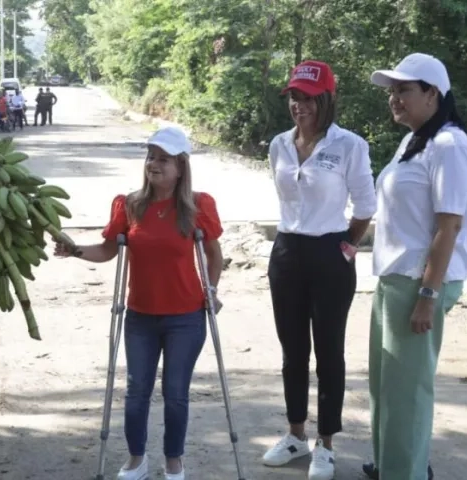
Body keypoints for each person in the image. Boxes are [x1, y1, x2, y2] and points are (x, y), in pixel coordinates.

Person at [54, 126, 224, 480]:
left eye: (163, 159)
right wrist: (75, 251)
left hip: (186, 316)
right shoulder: (130, 205)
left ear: (180, 167)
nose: (154, 164)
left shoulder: (198, 207)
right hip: (140, 317)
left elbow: (212, 252)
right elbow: (107, 250)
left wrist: (212, 289)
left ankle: (173, 460)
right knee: (136, 391)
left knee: (176, 392)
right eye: (150, 156)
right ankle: (137, 459)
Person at [261, 60, 377, 480]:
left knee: (329, 352)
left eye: (308, 98)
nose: (299, 105)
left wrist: (347, 245)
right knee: (293, 350)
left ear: (326, 99)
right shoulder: (279, 144)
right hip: (288, 251)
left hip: (331, 252)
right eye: (294, 97)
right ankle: (295, 434)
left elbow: (366, 206)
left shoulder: (349, 145)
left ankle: (325, 444)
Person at [362, 53, 467, 480]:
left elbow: (448, 227)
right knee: (386, 386)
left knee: (407, 392)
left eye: (404, 89)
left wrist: (428, 295)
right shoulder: (415, 141)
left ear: (433, 93)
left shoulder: (449, 144)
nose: (394, 98)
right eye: (392, 91)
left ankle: (405, 473)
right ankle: (391, 465)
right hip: (394, 280)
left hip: (419, 284)